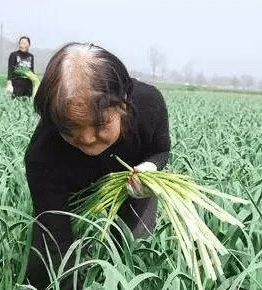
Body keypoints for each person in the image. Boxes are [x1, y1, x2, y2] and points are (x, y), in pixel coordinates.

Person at [23, 42, 170, 289]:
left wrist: (149, 168)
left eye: (101, 125)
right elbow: (55, 235)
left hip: (130, 183)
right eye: (70, 130)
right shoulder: (43, 156)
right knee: (49, 257)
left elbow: (160, 150)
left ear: (123, 105)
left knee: (133, 248)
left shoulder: (149, 105)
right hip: (72, 188)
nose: (88, 139)